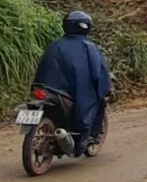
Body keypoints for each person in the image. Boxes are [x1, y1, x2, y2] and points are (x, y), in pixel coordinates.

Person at [32, 10, 113, 146]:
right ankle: (81, 138)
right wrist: (105, 87)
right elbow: (98, 72)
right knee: (93, 102)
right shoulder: (88, 47)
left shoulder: (55, 45)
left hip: (45, 88)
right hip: (70, 93)